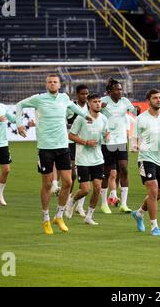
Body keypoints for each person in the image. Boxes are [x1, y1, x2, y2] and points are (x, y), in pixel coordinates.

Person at [16, 74, 90, 235]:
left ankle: (59, 215)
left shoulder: (64, 97)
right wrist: (19, 124)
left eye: (55, 82)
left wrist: (86, 115)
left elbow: (74, 107)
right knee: (48, 185)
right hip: (45, 147)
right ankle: (45, 218)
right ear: (46, 84)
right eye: (49, 82)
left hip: (63, 146)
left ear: (59, 84)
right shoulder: (39, 98)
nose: (52, 84)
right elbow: (20, 105)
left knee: (68, 182)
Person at [131, 89, 160, 236]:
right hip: (146, 157)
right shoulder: (140, 119)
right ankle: (154, 226)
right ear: (148, 101)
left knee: (157, 195)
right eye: (155, 98)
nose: (158, 100)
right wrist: (134, 146)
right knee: (153, 190)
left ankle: (139, 213)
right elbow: (134, 138)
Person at [66, 93, 109, 224]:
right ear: (89, 104)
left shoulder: (103, 118)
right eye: (95, 101)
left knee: (97, 188)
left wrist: (107, 137)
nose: (98, 103)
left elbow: (105, 134)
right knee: (85, 189)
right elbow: (71, 135)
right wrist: (85, 142)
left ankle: (89, 216)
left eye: (99, 101)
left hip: (97, 158)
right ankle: (72, 201)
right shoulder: (81, 118)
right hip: (83, 158)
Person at [100, 78, 140, 214]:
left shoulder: (125, 101)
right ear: (110, 91)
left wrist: (137, 110)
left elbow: (134, 112)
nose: (120, 91)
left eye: (121, 89)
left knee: (124, 170)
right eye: (117, 89)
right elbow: (93, 112)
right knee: (106, 173)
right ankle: (104, 203)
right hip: (107, 142)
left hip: (122, 141)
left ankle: (123, 203)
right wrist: (100, 108)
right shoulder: (103, 101)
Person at [65, 84, 89, 217]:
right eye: (82, 94)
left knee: (85, 176)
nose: (84, 96)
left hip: (85, 145)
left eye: (86, 94)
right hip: (71, 143)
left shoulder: (90, 107)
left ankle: (79, 206)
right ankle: (67, 201)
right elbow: (63, 121)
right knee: (72, 175)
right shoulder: (70, 108)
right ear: (77, 95)